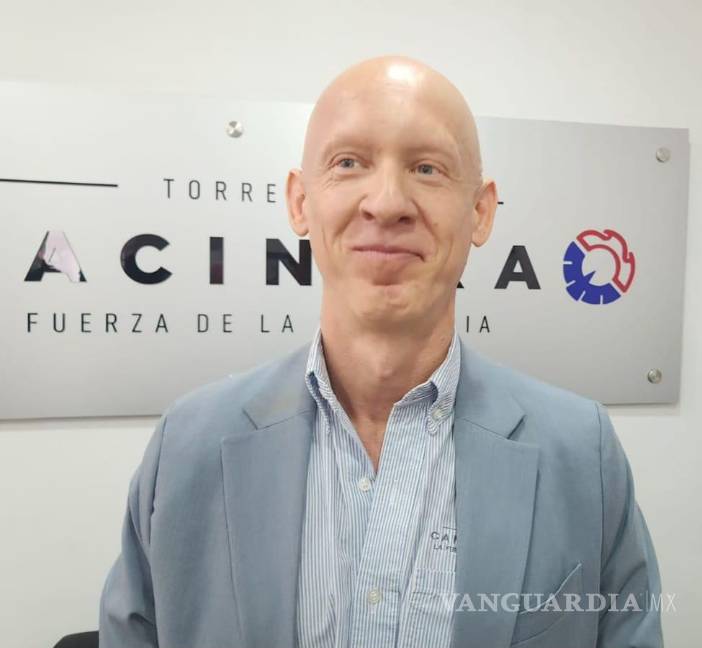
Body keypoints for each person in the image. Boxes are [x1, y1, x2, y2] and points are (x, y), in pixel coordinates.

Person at [99, 55, 663, 648]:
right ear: (300, 202)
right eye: (349, 163)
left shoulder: (583, 455)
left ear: (480, 211)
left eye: (427, 168)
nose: (387, 202)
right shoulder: (186, 448)